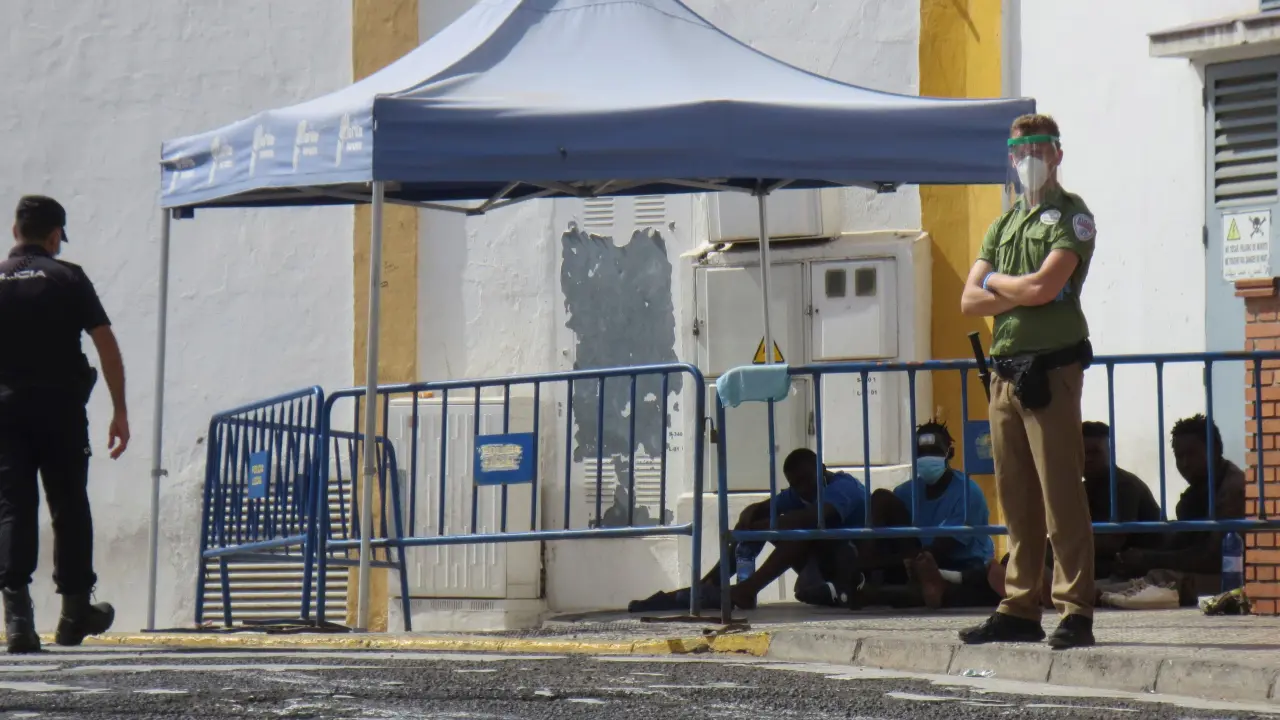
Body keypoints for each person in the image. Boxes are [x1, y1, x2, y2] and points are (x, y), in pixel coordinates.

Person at [958, 113, 1098, 649]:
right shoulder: (1005, 223)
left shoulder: (1073, 216)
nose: (1028, 160)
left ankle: (1075, 607)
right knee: (1015, 496)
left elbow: (1045, 287)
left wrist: (997, 283)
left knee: (1061, 493)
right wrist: (1013, 287)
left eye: (1038, 149)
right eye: (1020, 152)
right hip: (1005, 372)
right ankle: (1019, 605)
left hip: (1051, 370)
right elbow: (969, 300)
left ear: (1057, 154)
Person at [0, 196, 126, 653]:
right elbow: (105, 341)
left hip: (5, 413)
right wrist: (120, 410)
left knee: (13, 505)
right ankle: (74, 613)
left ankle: (17, 619)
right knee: (69, 503)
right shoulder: (67, 277)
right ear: (55, 236)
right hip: (60, 411)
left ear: (15, 231)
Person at [705, 448, 867, 610]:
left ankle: (747, 589)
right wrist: (748, 517)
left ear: (822, 469)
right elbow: (762, 508)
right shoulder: (799, 492)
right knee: (772, 523)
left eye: (806, 480)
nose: (802, 489)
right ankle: (711, 582)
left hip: (856, 561)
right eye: (795, 485)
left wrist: (756, 527)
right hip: (826, 558)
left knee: (799, 531)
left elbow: (813, 516)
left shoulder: (844, 486)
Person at [1115, 414, 1246, 598]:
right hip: (1206, 574)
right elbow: (1180, 545)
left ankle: (1100, 594)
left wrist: (1149, 558)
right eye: (1179, 456)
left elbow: (1214, 558)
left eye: (1191, 454)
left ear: (1215, 450)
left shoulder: (1232, 489)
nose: (1185, 464)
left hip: (1235, 580)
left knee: (1163, 579)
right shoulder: (1195, 494)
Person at [1081, 421, 1163, 577]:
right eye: (1082, 453)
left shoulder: (1123, 485)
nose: (1088, 459)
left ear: (1111, 453)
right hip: (1110, 561)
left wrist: (1063, 544)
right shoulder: (1085, 487)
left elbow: (1112, 543)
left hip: (1137, 566)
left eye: (1095, 452)